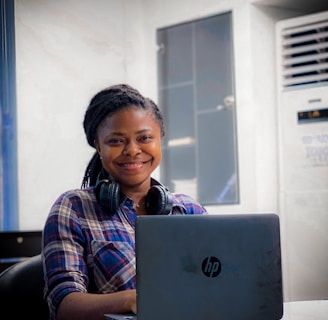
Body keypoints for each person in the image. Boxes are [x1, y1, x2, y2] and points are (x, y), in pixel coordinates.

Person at [42, 83, 208, 320]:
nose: (132, 150)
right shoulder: (73, 209)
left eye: (145, 138)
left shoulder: (189, 210)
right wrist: (132, 299)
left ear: (159, 139)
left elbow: (216, 283)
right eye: (116, 141)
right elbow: (64, 306)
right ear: (98, 146)